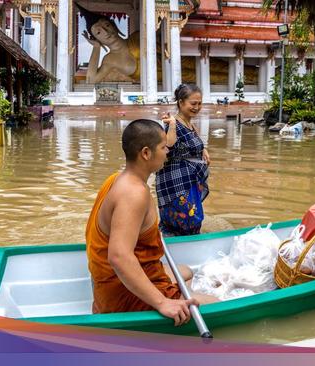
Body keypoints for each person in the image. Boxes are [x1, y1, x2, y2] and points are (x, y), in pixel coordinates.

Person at [85, 119, 216, 326]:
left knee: (186, 271)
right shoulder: (134, 193)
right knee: (218, 303)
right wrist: (162, 302)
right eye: (164, 147)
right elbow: (119, 256)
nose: (167, 152)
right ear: (146, 153)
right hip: (120, 295)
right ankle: (173, 298)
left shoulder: (116, 178)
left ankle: (182, 293)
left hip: (110, 283)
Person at [156, 84, 210, 236]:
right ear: (181, 102)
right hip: (176, 183)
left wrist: (203, 150)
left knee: (193, 218)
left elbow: (194, 142)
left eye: (199, 103)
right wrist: (172, 125)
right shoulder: (172, 123)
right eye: (193, 103)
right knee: (183, 219)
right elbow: (168, 147)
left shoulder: (189, 123)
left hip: (189, 181)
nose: (197, 107)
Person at [76, 3, 162, 83]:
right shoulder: (110, 60)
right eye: (98, 32)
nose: (106, 32)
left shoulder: (136, 37)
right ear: (97, 39)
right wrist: (96, 47)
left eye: (107, 25)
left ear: (114, 26)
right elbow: (91, 80)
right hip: (154, 88)